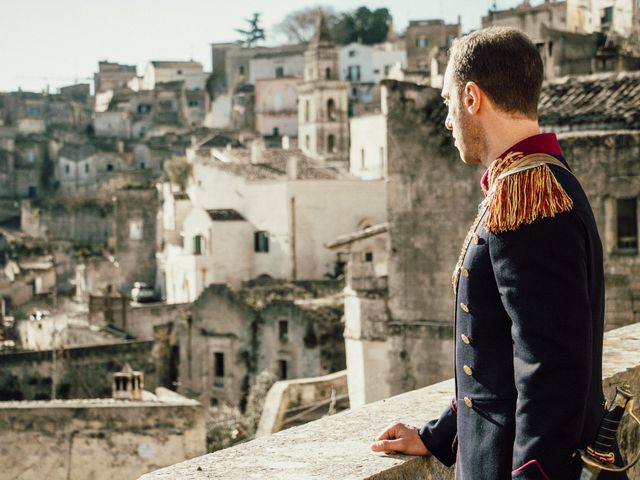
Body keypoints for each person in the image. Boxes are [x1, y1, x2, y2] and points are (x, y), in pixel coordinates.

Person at [370, 27, 626, 479]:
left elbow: (551, 369)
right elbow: (495, 358)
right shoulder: (540, 183)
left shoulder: (530, 200)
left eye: (448, 101)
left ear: (472, 98)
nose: (447, 120)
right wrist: (438, 434)